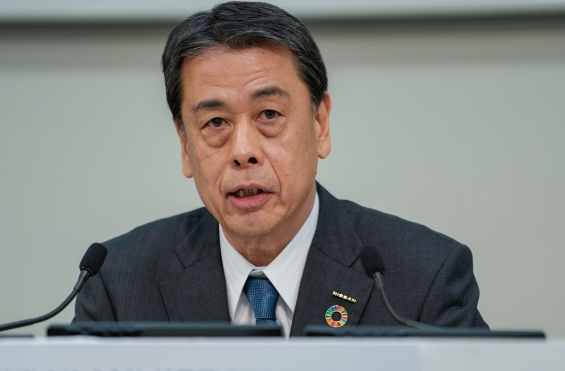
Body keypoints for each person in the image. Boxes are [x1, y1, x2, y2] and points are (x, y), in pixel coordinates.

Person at [74, 1, 488, 336]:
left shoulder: (422, 278)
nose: (243, 151)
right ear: (185, 144)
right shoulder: (117, 281)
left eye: (269, 114)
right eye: (215, 123)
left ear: (320, 124)